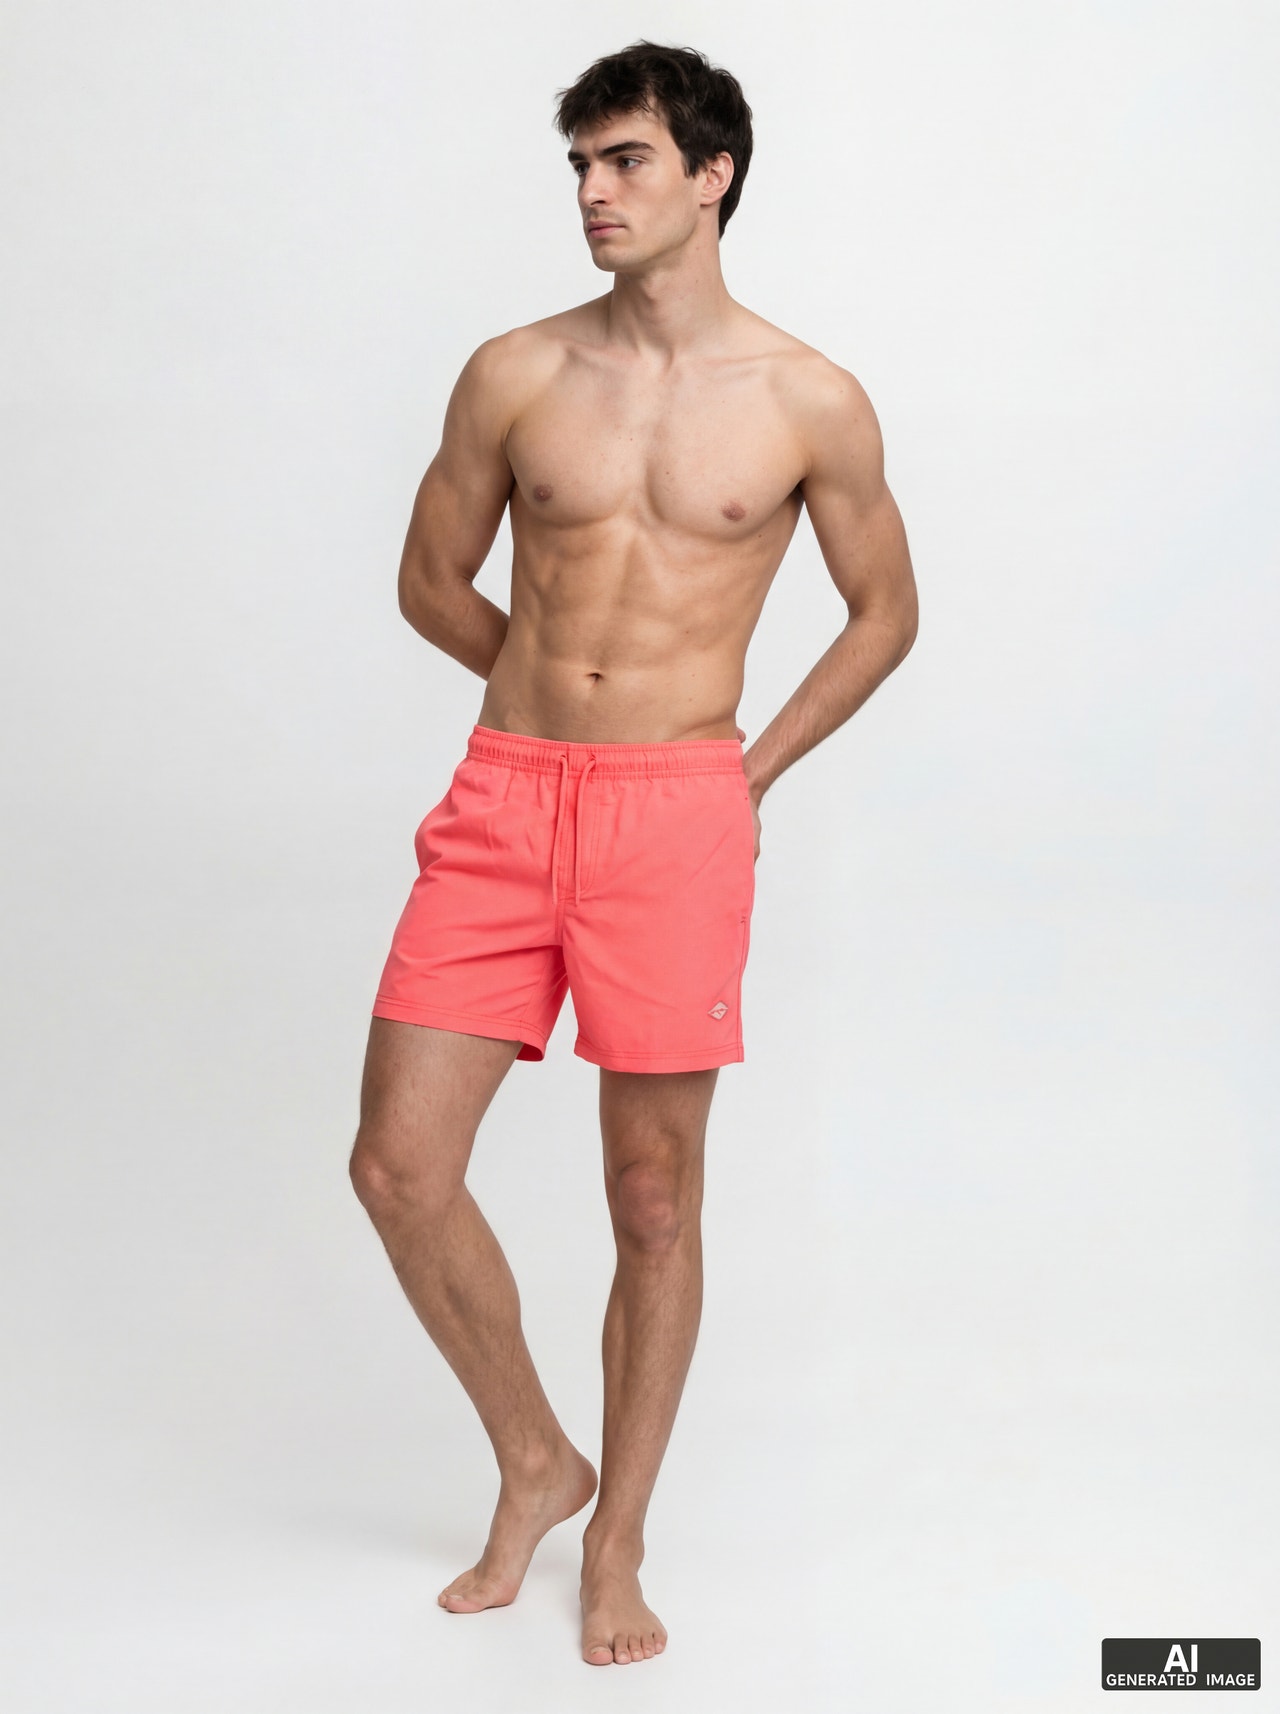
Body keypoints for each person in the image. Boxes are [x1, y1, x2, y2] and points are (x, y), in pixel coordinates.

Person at [348, 39, 918, 1669]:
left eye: (625, 162)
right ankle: (539, 1452)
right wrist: (545, 701)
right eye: (581, 166)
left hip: (679, 814)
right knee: (397, 1163)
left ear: (711, 175)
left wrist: (744, 767)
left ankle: (618, 1539)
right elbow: (431, 579)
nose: (594, 194)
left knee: (652, 1197)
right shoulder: (515, 371)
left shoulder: (809, 397)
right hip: (507, 798)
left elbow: (886, 613)